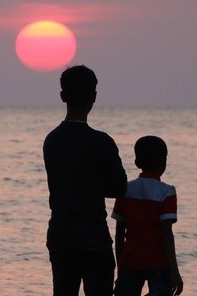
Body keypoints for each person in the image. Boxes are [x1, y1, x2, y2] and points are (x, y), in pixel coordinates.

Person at [43, 64, 128, 296]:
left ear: (63, 96)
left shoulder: (52, 140)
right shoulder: (102, 142)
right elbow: (120, 187)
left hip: (61, 235)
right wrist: (95, 184)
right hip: (94, 236)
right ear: (94, 97)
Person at [112, 135, 184, 296]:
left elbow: (119, 235)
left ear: (137, 162)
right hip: (159, 261)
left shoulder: (125, 190)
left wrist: (120, 271)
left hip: (130, 260)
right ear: (164, 162)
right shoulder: (166, 192)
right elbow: (166, 232)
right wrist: (174, 270)